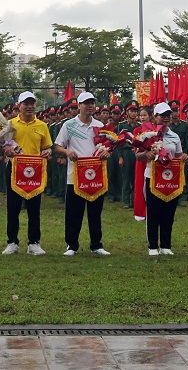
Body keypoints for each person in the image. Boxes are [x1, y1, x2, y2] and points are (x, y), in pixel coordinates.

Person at [53, 92, 110, 256]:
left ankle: (96, 245)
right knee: (73, 212)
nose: (90, 106)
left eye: (92, 103)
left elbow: (107, 146)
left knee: (95, 211)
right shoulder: (69, 125)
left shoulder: (100, 125)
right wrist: (67, 151)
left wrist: (107, 153)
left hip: (96, 175)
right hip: (75, 176)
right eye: (86, 103)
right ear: (79, 105)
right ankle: (71, 245)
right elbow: (57, 146)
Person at [2, 91, 53, 255]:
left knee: (34, 207)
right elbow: (0, 144)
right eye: (26, 103)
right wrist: (7, 148)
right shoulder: (10, 124)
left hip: (35, 171)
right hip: (15, 169)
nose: (30, 106)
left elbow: (47, 147)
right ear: (19, 106)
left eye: (32, 103)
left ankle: (34, 242)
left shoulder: (42, 126)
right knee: (13, 207)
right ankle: (12, 242)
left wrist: (48, 152)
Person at [139, 102, 186, 255]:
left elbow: (178, 155)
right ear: (155, 117)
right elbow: (138, 156)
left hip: (171, 180)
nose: (166, 118)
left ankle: (166, 245)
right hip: (152, 178)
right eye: (162, 115)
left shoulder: (174, 136)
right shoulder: (148, 135)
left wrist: (183, 157)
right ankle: (153, 246)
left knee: (169, 212)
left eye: (168, 115)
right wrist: (147, 154)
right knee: (153, 212)